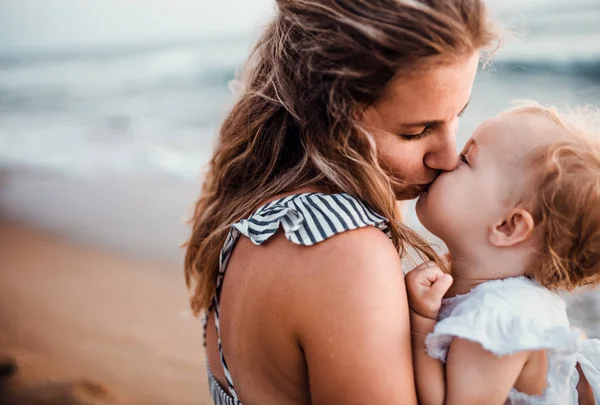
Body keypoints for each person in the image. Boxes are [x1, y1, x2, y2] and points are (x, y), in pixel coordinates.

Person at [184, 0, 498, 403]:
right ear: (328, 114)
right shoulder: (342, 250)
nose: (448, 157)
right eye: (416, 131)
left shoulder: (258, 213)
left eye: (457, 116)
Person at [407, 102, 600, 405]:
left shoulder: (497, 320)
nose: (446, 161)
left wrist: (421, 323)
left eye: (466, 159)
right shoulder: (494, 293)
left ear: (508, 227)